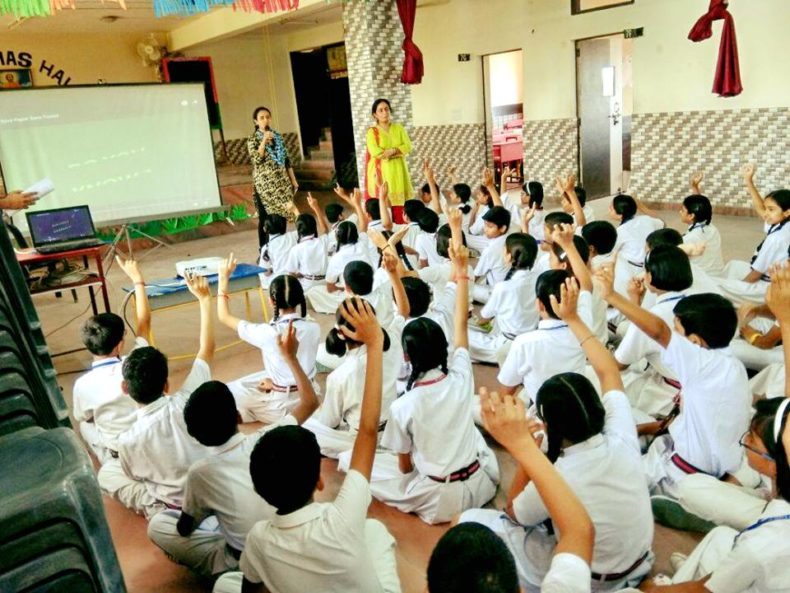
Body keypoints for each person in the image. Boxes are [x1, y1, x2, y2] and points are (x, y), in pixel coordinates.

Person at [461, 278, 653, 592]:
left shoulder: (559, 474)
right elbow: (608, 371)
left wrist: (528, 452)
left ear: (548, 425)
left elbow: (514, 514)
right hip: (638, 560)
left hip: (587, 577)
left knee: (471, 521)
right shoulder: (621, 433)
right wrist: (574, 318)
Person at [212, 299, 401, 593]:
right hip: (378, 425)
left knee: (226, 583)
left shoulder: (258, 538)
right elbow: (367, 431)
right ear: (320, 481)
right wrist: (375, 343)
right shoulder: (343, 517)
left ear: (259, 490)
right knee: (374, 530)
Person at [147, 322, 319, 579]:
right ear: (239, 416)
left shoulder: (200, 472)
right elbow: (310, 401)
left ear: (196, 436)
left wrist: (199, 510)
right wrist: (291, 358)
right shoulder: (266, 439)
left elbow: (185, 529)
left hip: (240, 563)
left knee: (159, 525)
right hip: (288, 549)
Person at [362, 242, 499, 524]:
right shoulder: (462, 373)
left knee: (364, 469)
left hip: (439, 498)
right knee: (468, 431)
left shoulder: (403, 405)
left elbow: (404, 467)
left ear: (407, 355)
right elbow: (461, 324)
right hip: (481, 482)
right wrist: (461, 270)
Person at [596, 265, 752, 501]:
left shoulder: (699, 361)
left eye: (677, 331)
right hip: (713, 458)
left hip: (678, 470)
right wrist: (648, 429)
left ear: (695, 341)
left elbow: (658, 330)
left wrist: (611, 296)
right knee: (637, 429)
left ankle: (672, 501)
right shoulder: (733, 365)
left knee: (601, 473)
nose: (673, 336)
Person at [96, 273, 215, 518]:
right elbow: (206, 349)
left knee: (107, 474)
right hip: (212, 493)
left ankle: (160, 510)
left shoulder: (128, 440)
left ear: (125, 388)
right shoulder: (188, 401)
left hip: (172, 504)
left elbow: (134, 475)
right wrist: (204, 301)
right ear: (167, 384)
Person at [219, 255, 321, 425]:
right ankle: (257, 409)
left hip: (281, 403)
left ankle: (252, 415)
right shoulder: (314, 327)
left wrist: (223, 279)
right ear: (299, 299)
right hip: (310, 393)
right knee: (257, 379)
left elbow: (223, 316)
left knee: (227, 390)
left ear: (271, 301)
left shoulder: (268, 333)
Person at [72, 257, 152, 464]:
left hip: (119, 450)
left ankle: (106, 462)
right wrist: (138, 280)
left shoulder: (82, 385)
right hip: (146, 440)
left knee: (84, 424)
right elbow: (144, 323)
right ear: (119, 345)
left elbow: (84, 416)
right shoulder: (136, 363)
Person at [303, 300, 402, 458]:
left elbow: (330, 422)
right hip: (394, 432)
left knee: (306, 425)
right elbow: (402, 314)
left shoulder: (341, 376)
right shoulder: (395, 340)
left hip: (361, 438)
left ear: (340, 333)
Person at [716, 165, 790, 305]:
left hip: (767, 287)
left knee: (718, 286)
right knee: (732, 265)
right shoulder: (784, 223)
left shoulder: (777, 239)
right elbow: (761, 209)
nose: (766, 213)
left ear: (787, 212)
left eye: (771, 209)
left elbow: (755, 274)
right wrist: (749, 181)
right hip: (769, 278)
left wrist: (740, 287)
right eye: (767, 208)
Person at [468, 232, 539, 365]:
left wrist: (475, 323)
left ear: (509, 256)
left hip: (506, 345)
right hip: (531, 340)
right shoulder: (539, 278)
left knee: (459, 334)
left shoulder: (504, 287)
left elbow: (484, 319)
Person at [247, 106, 298, 240]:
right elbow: (256, 160)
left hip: (282, 183)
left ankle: (281, 244)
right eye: (261, 118)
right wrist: (263, 140)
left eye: (267, 117)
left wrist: (293, 180)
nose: (265, 120)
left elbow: (286, 160)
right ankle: (264, 249)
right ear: (256, 122)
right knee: (265, 218)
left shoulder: (278, 137)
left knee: (282, 215)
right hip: (264, 185)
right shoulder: (252, 139)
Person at [365, 98, 413, 224]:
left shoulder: (399, 128)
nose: (384, 112)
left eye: (386, 109)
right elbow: (375, 151)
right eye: (380, 110)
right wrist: (397, 151)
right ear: (375, 115)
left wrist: (391, 151)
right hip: (382, 171)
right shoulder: (372, 132)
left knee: (401, 204)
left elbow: (408, 146)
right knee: (385, 199)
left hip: (399, 169)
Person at [681, 173, 724, 276]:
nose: (680, 212)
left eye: (682, 210)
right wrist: (695, 187)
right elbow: (701, 206)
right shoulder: (710, 227)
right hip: (718, 273)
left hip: (703, 278)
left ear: (691, 216)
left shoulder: (690, 238)